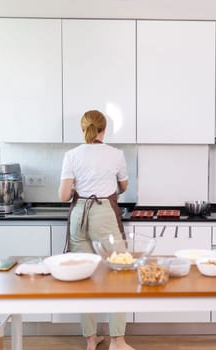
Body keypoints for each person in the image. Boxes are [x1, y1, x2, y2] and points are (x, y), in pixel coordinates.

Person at [58, 110, 133, 350]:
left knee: (83, 277)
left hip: (80, 213)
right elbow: (123, 186)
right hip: (103, 212)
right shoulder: (116, 154)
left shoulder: (71, 155)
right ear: (104, 129)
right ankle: (117, 340)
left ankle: (91, 340)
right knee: (119, 274)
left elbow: (63, 196)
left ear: (83, 129)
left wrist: (79, 187)